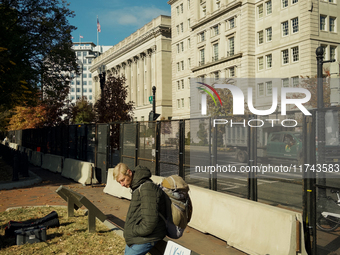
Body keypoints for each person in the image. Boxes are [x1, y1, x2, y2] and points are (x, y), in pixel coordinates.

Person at [113, 163, 166, 255]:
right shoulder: (137, 186)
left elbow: (149, 223)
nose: (122, 184)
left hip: (150, 235)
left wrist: (131, 230)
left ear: (129, 172)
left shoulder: (146, 188)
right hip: (142, 235)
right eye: (119, 182)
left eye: (123, 180)